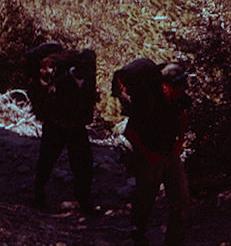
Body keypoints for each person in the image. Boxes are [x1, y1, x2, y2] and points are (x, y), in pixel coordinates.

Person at [112, 59, 191, 246]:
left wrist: (178, 144)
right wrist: (149, 156)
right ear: (164, 86)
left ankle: (174, 241)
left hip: (170, 155)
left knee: (181, 200)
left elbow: (182, 118)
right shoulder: (147, 102)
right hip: (149, 156)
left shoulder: (180, 98)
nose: (182, 90)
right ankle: (137, 235)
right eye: (178, 86)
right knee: (145, 198)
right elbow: (131, 132)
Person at [23, 43, 97, 212]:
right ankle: (38, 196)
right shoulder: (59, 80)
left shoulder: (89, 79)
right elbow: (47, 103)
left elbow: (87, 102)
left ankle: (84, 201)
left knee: (84, 165)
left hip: (76, 127)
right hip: (56, 126)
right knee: (46, 161)